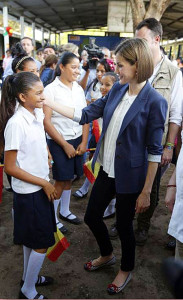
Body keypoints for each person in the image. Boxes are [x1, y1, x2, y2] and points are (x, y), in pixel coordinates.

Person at [43, 38, 167, 294]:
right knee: (91, 216)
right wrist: (49, 103)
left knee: (123, 226)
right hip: (107, 170)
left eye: (121, 65)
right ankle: (107, 254)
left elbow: (155, 151)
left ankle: (126, 268)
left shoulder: (154, 101)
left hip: (131, 176)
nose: (116, 70)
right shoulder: (118, 90)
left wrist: (146, 190)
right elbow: (86, 113)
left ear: (137, 65)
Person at [0, 72, 57, 299]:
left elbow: (37, 142)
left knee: (31, 241)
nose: (43, 97)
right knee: (41, 243)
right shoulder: (16, 124)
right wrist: (44, 182)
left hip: (37, 188)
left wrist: (46, 153)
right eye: (39, 93)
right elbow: (11, 168)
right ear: (23, 97)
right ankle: (28, 290)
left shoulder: (35, 114)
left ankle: (28, 277)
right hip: (31, 192)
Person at [133, 18, 183, 246]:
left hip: (156, 143)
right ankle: (124, 218)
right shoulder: (135, 65)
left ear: (157, 39)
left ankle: (142, 224)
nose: (138, 45)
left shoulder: (173, 73)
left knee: (151, 187)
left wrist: (169, 146)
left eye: (142, 40)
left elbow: (175, 115)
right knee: (126, 180)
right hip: (132, 139)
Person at [43, 52, 89, 234]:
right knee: (60, 180)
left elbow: (85, 116)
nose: (78, 71)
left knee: (70, 177)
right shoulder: (50, 90)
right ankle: (52, 218)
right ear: (61, 67)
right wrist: (64, 145)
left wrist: (84, 141)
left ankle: (65, 211)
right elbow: (46, 122)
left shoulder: (78, 89)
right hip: (59, 140)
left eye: (79, 67)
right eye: (74, 67)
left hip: (77, 139)